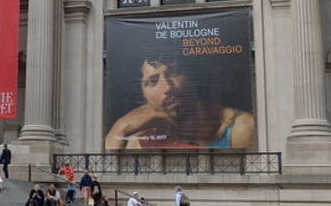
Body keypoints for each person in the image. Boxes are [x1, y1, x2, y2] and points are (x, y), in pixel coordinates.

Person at [103, 55, 256, 151]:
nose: (168, 87)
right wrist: (119, 130)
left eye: (174, 72)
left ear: (193, 76)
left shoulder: (241, 127)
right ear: (144, 97)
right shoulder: (138, 140)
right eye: (153, 81)